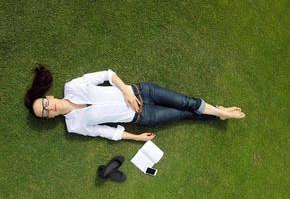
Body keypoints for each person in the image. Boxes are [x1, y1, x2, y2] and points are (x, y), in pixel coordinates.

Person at [25, 64, 246, 142]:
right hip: (142, 117)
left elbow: (107, 74)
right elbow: (105, 132)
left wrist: (126, 92)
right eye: (45, 113)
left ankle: (221, 112)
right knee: (183, 114)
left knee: (187, 102)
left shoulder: (72, 86)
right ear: (50, 118)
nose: (48, 108)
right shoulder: (74, 127)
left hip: (143, 92)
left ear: (49, 97)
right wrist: (136, 137)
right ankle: (220, 112)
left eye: (44, 103)